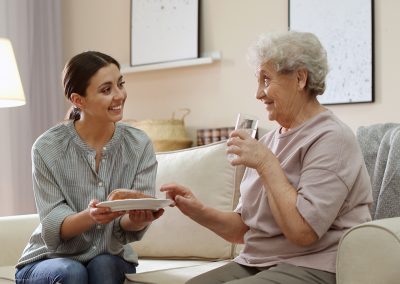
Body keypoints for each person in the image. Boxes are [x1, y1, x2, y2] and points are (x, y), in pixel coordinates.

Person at [160, 31, 373, 284]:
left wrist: (266, 163)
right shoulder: (269, 141)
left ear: (300, 78)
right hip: (258, 262)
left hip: (315, 264)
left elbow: (303, 232)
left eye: (266, 79)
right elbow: (245, 229)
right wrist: (198, 211)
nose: (258, 94)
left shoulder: (332, 138)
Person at [15, 51, 163, 284]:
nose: (119, 95)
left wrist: (139, 218)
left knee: (104, 265)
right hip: (48, 260)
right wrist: (92, 216)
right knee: (71, 272)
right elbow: (54, 224)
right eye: (106, 90)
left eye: (120, 84)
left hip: (110, 255)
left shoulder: (139, 144)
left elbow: (126, 227)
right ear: (78, 100)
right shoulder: (47, 147)